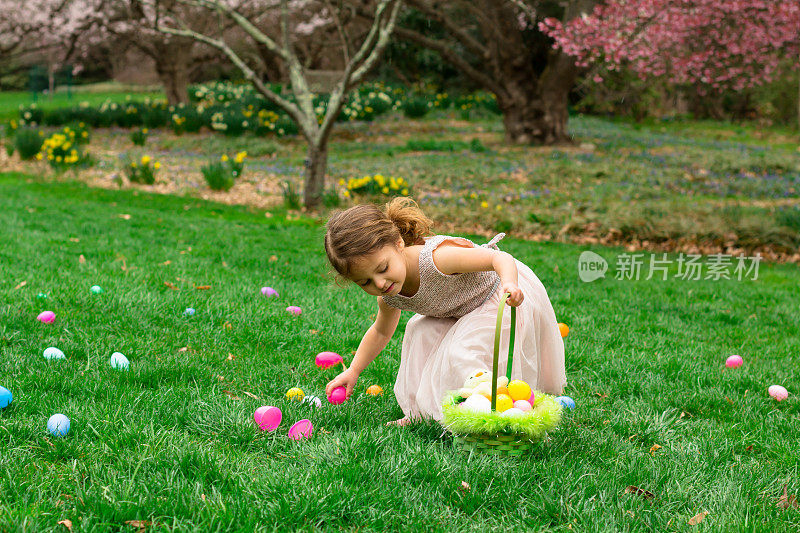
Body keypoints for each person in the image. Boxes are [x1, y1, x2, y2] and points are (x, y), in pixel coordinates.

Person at [323, 197, 566, 425]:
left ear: (398, 244)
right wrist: (353, 371)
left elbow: (498, 259)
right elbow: (380, 332)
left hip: (496, 294)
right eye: (365, 282)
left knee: (464, 350)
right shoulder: (390, 297)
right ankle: (422, 414)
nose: (379, 283)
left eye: (383, 268)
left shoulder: (437, 260)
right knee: (420, 332)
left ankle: (482, 410)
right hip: (458, 310)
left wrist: (510, 283)